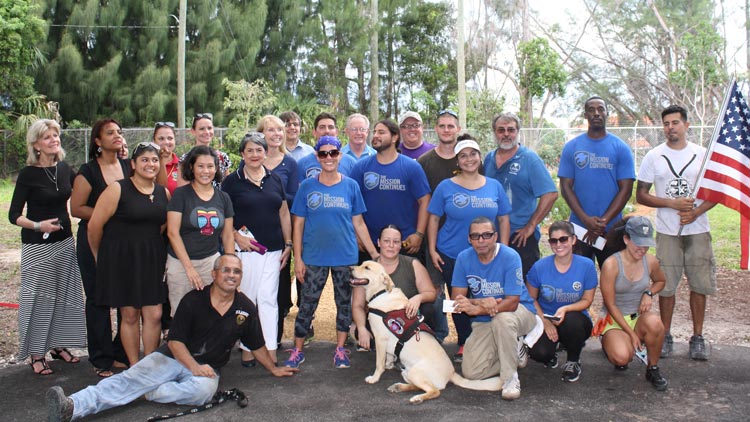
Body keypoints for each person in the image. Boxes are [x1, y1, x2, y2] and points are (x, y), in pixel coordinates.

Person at [46, 254, 297, 422]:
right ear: (214, 274)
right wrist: (194, 366)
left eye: (237, 272)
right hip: (172, 358)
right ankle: (72, 405)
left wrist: (273, 369)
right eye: (226, 270)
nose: (232, 275)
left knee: (204, 392)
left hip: (206, 369)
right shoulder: (194, 300)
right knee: (129, 379)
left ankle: (147, 392)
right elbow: (175, 342)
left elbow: (257, 344)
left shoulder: (245, 308)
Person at [285, 136, 379, 369]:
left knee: (344, 305)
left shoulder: (351, 186)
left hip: (345, 257)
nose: (328, 157)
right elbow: (297, 225)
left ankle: (340, 349)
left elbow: (359, 224)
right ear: (317, 156)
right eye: (323, 153)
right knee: (307, 304)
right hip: (314, 257)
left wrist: (375, 254)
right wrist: (298, 259)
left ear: (339, 155)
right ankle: (297, 350)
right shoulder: (307, 187)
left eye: (333, 153)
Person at [636, 105, 716, 360]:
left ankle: (698, 337)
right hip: (668, 231)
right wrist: (672, 203)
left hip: (698, 229)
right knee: (667, 286)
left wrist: (696, 212)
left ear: (686, 125)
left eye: (675, 123)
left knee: (699, 284)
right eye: (666, 124)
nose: (670, 128)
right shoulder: (654, 157)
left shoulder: (702, 155)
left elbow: (717, 193)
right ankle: (666, 334)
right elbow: (642, 195)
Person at [9, 119, 86, 376]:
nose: (54, 139)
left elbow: (87, 188)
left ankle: (59, 345)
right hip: (37, 246)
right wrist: (37, 225)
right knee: (39, 299)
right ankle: (36, 353)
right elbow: (13, 215)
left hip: (65, 241)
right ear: (36, 145)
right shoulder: (28, 174)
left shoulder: (64, 169)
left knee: (65, 296)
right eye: (47, 137)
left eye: (56, 135)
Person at [427, 136, 511, 362]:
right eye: (463, 155)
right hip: (452, 254)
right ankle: (464, 342)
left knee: (489, 296)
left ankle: (490, 340)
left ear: (480, 157)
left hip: (487, 254)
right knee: (457, 301)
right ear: (457, 160)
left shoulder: (494, 186)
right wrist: (433, 249)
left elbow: (503, 219)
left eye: (473, 154)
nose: (469, 159)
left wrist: (503, 248)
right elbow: (433, 219)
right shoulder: (446, 187)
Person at [88, 142, 170, 366]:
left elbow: (163, 226)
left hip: (152, 259)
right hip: (122, 260)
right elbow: (94, 227)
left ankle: (149, 364)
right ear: (133, 164)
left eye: (154, 160)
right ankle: (134, 366)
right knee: (130, 315)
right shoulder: (118, 189)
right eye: (144, 160)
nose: (150, 164)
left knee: (154, 315)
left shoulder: (164, 192)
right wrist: (100, 257)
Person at [222, 132, 292, 366]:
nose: (254, 154)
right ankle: (247, 348)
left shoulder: (275, 179)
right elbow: (222, 216)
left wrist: (288, 243)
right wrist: (233, 237)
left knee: (269, 300)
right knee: (247, 300)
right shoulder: (232, 182)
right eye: (249, 150)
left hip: (272, 250)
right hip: (245, 252)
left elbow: (283, 212)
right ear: (242, 154)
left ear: (265, 152)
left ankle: (270, 349)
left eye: (259, 150)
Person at [452, 217, 537, 401]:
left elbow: (512, 302)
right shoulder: (463, 258)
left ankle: (510, 378)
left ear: (495, 236)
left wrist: (479, 307)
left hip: (521, 312)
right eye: (475, 236)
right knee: (472, 372)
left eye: (486, 235)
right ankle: (513, 349)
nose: (481, 240)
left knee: (502, 319)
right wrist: (483, 303)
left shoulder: (510, 256)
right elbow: (456, 300)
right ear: (469, 239)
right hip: (485, 320)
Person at [71, 118, 130, 377]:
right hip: (95, 240)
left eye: (119, 131)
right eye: (110, 133)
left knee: (126, 298)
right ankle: (101, 358)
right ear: (97, 140)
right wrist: (106, 213)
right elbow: (76, 208)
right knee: (98, 298)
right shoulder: (88, 171)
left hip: (125, 242)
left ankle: (120, 352)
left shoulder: (129, 166)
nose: (116, 136)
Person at [558, 96, 635, 267]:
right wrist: (586, 220)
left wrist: (603, 222)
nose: (596, 113)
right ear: (585, 115)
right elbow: (565, 187)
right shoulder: (572, 147)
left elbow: (626, 189)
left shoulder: (620, 147)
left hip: (611, 230)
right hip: (579, 229)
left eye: (601, 109)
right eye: (591, 110)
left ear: (607, 113)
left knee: (614, 281)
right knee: (578, 281)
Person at [417, 111, 471, 342]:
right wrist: (427, 241)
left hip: (468, 241)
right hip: (436, 241)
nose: (447, 130)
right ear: (436, 129)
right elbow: (422, 203)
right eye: (442, 126)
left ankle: (464, 338)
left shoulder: (470, 159)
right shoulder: (424, 162)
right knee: (436, 294)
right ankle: (438, 335)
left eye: (451, 126)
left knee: (461, 292)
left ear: (458, 129)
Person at [484, 112, 558, 279]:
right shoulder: (488, 159)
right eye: (501, 130)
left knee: (522, 287)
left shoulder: (529, 159)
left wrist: (531, 226)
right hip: (491, 236)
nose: (506, 134)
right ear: (495, 132)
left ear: (518, 132)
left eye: (511, 130)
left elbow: (550, 194)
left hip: (520, 237)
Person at [599, 216, 669, 391]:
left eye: (646, 244)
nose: (643, 249)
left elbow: (661, 281)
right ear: (626, 239)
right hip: (613, 318)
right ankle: (614, 342)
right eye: (638, 243)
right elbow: (611, 304)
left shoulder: (651, 261)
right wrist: (631, 334)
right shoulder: (611, 264)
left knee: (656, 323)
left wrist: (648, 292)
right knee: (622, 357)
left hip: (637, 316)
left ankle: (652, 368)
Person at [348, 118, 431, 261]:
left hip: (405, 243)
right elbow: (350, 203)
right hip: (370, 244)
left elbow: (425, 200)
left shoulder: (411, 167)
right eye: (374, 132)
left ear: (394, 137)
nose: (375, 136)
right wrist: (356, 234)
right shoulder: (361, 167)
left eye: (381, 132)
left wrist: (419, 234)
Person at [166, 146, 235, 316]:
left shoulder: (223, 197)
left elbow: (227, 235)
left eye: (210, 166)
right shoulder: (181, 195)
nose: (206, 171)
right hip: (181, 263)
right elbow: (172, 233)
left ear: (217, 168)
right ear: (191, 168)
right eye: (201, 166)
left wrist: (230, 265)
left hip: (210, 261)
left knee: (212, 313)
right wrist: (189, 268)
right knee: (182, 314)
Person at [526, 221, 597, 382]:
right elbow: (530, 298)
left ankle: (573, 360)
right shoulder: (540, 267)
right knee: (539, 353)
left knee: (571, 321)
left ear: (573, 240)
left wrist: (566, 308)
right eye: (553, 240)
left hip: (575, 319)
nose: (558, 244)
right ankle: (554, 350)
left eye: (563, 239)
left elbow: (587, 300)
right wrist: (544, 321)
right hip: (546, 317)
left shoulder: (586, 266)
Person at [351, 225, 437, 350]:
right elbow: (357, 305)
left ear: (400, 245)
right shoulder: (367, 267)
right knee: (363, 335)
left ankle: (421, 344)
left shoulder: (412, 264)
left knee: (428, 309)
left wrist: (418, 297)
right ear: (379, 243)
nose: (391, 245)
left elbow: (431, 293)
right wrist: (361, 328)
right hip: (380, 321)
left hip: (407, 320)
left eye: (396, 241)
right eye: (386, 241)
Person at [256, 115, 299, 347]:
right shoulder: (252, 159)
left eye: (279, 130)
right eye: (270, 130)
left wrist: (271, 195)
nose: (276, 134)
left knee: (279, 287)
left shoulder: (290, 163)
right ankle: (254, 339)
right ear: (261, 133)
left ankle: (275, 339)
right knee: (254, 288)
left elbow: (294, 197)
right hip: (253, 234)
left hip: (280, 232)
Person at [297, 112, 357, 181]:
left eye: (331, 127)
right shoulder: (302, 164)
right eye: (322, 127)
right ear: (314, 132)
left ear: (336, 132)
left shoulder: (350, 163)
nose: (327, 131)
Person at [179, 113, 232, 185]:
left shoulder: (222, 157)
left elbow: (228, 186)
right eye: (202, 129)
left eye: (209, 128)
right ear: (193, 131)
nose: (207, 132)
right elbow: (182, 190)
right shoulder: (185, 159)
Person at [154, 121, 180, 195]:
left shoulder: (182, 165)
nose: (166, 142)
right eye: (161, 139)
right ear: (154, 141)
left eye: (170, 138)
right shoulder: (148, 164)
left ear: (175, 140)